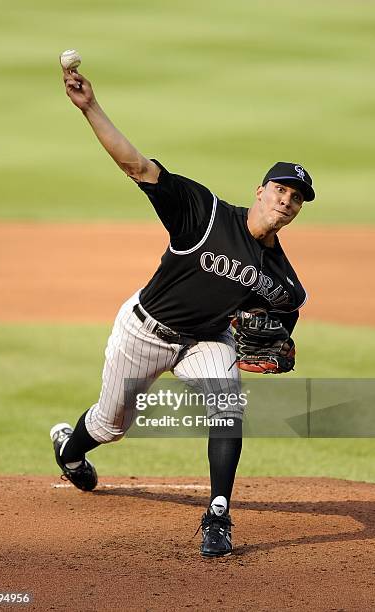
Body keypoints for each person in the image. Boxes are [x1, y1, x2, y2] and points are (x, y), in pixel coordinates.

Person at [50, 65, 315, 558]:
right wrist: (90, 108)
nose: (287, 200)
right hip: (144, 330)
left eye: (296, 198)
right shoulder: (204, 212)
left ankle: (218, 516)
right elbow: (137, 166)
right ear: (261, 191)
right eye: (281, 190)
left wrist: (279, 340)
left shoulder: (281, 276)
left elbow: (288, 312)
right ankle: (69, 449)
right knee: (109, 427)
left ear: (298, 211)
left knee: (228, 407)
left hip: (207, 341)